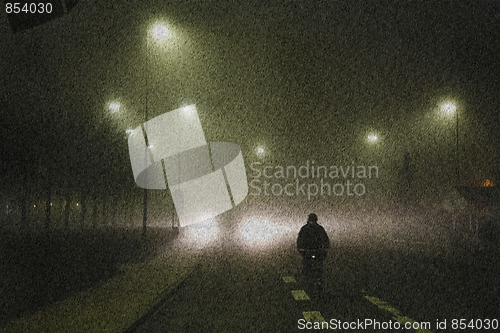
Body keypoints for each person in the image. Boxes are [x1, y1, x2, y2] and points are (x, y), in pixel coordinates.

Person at [297, 213, 331, 287]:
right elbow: (300, 239)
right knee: (306, 264)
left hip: (317, 249)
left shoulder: (320, 229)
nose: (312, 222)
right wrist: (300, 248)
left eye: (313, 221)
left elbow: (325, 238)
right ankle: (306, 278)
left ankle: (319, 278)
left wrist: (326, 247)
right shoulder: (304, 229)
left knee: (319, 264)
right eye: (311, 221)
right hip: (307, 250)